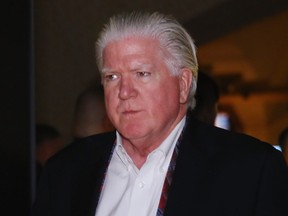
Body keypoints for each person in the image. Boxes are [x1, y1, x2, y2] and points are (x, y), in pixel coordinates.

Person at [31, 11, 288, 216]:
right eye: (112, 76)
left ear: (183, 85)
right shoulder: (65, 172)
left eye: (141, 74)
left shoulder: (250, 170)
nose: (124, 91)